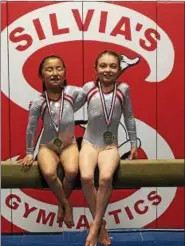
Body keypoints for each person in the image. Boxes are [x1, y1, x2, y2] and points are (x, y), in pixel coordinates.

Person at [78, 51, 138, 246]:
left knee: (105, 178)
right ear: (95, 69)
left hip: (109, 146)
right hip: (89, 143)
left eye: (113, 66)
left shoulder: (124, 89)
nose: (108, 70)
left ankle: (94, 228)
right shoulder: (89, 88)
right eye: (103, 66)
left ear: (119, 69)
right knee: (86, 177)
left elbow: (129, 116)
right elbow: (68, 105)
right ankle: (100, 226)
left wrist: (133, 142)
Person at [19, 55, 82, 227]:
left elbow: (92, 92)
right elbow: (31, 129)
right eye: (49, 69)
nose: (55, 73)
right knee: (48, 173)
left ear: (65, 72)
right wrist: (29, 153)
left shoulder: (73, 93)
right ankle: (66, 205)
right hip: (48, 147)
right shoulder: (38, 103)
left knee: (71, 171)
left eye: (59, 68)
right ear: (41, 76)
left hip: (69, 144)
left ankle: (61, 207)